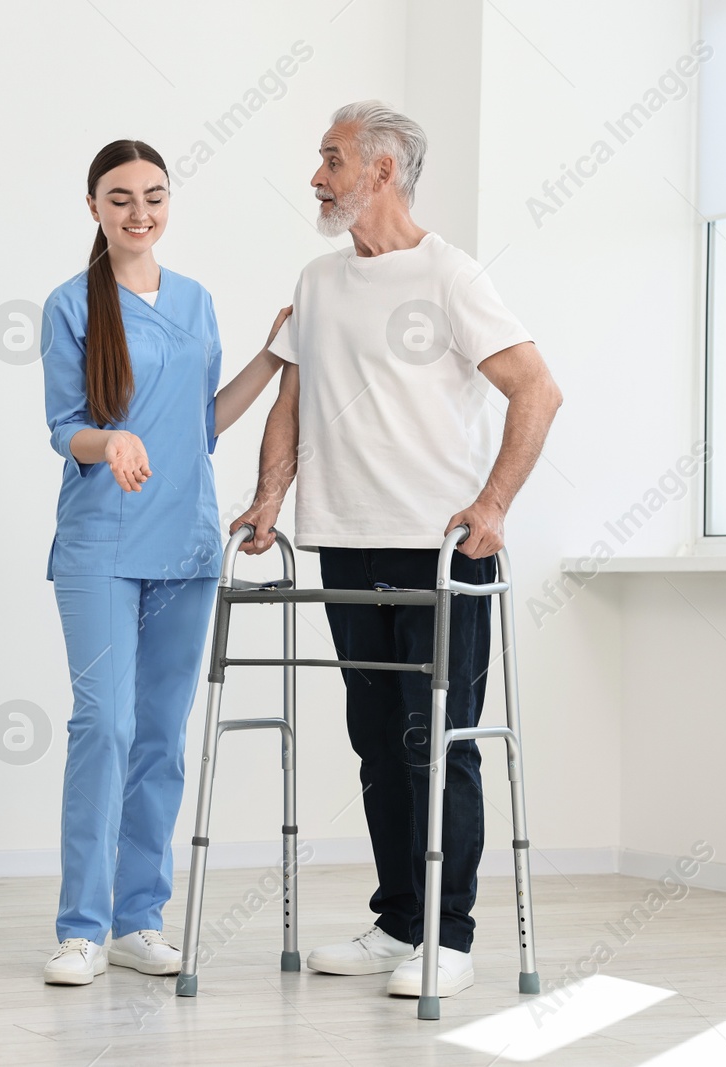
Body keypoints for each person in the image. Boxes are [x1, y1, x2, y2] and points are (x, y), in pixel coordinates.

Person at [234, 102, 563, 999]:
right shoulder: (318, 279)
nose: (317, 175)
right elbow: (290, 403)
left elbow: (536, 388)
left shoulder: (452, 276)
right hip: (343, 540)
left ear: (383, 171)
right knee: (377, 738)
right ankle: (398, 922)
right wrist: (270, 500)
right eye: (321, 160)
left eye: (332, 160)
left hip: (438, 550)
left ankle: (448, 937)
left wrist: (494, 502)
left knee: (439, 742)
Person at [39, 139, 290, 985]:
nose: (138, 212)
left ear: (168, 203)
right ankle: (80, 927)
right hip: (102, 546)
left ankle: (136, 920)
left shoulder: (196, 302)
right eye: (120, 198)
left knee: (159, 739)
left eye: (153, 196)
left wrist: (272, 356)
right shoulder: (72, 304)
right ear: (94, 207)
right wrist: (108, 440)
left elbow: (203, 424)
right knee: (102, 726)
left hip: (185, 545)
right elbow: (62, 426)